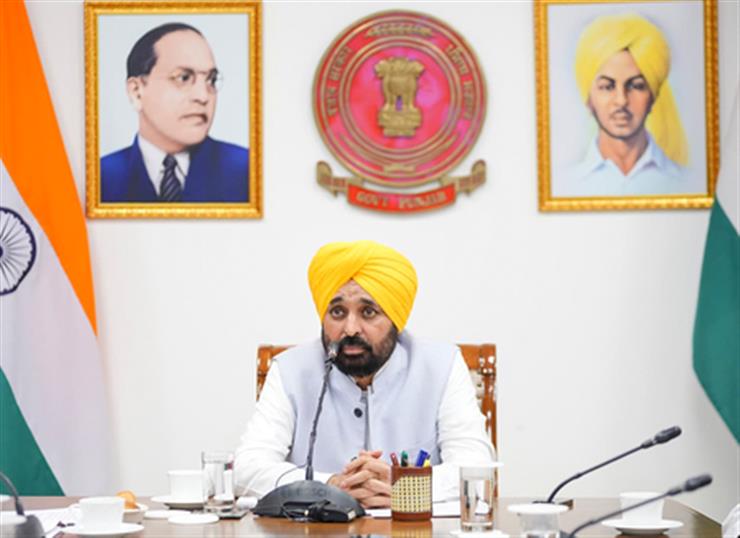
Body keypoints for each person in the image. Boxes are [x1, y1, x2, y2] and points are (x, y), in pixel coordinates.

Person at [234, 240, 495, 508]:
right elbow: (246, 470)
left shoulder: (441, 367)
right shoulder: (291, 371)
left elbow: (478, 471)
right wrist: (330, 486)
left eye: (368, 312)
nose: (350, 329)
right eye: (337, 312)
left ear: (395, 320)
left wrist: (404, 485)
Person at [101, 23, 248, 203]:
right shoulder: (101, 178)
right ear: (136, 92)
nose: (203, 96)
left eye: (211, 80)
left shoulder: (247, 171)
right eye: (183, 78)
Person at [557, 13, 689, 197]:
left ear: (653, 96)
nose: (621, 100)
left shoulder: (685, 182)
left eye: (636, 86)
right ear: (589, 99)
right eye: (607, 87)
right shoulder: (566, 185)